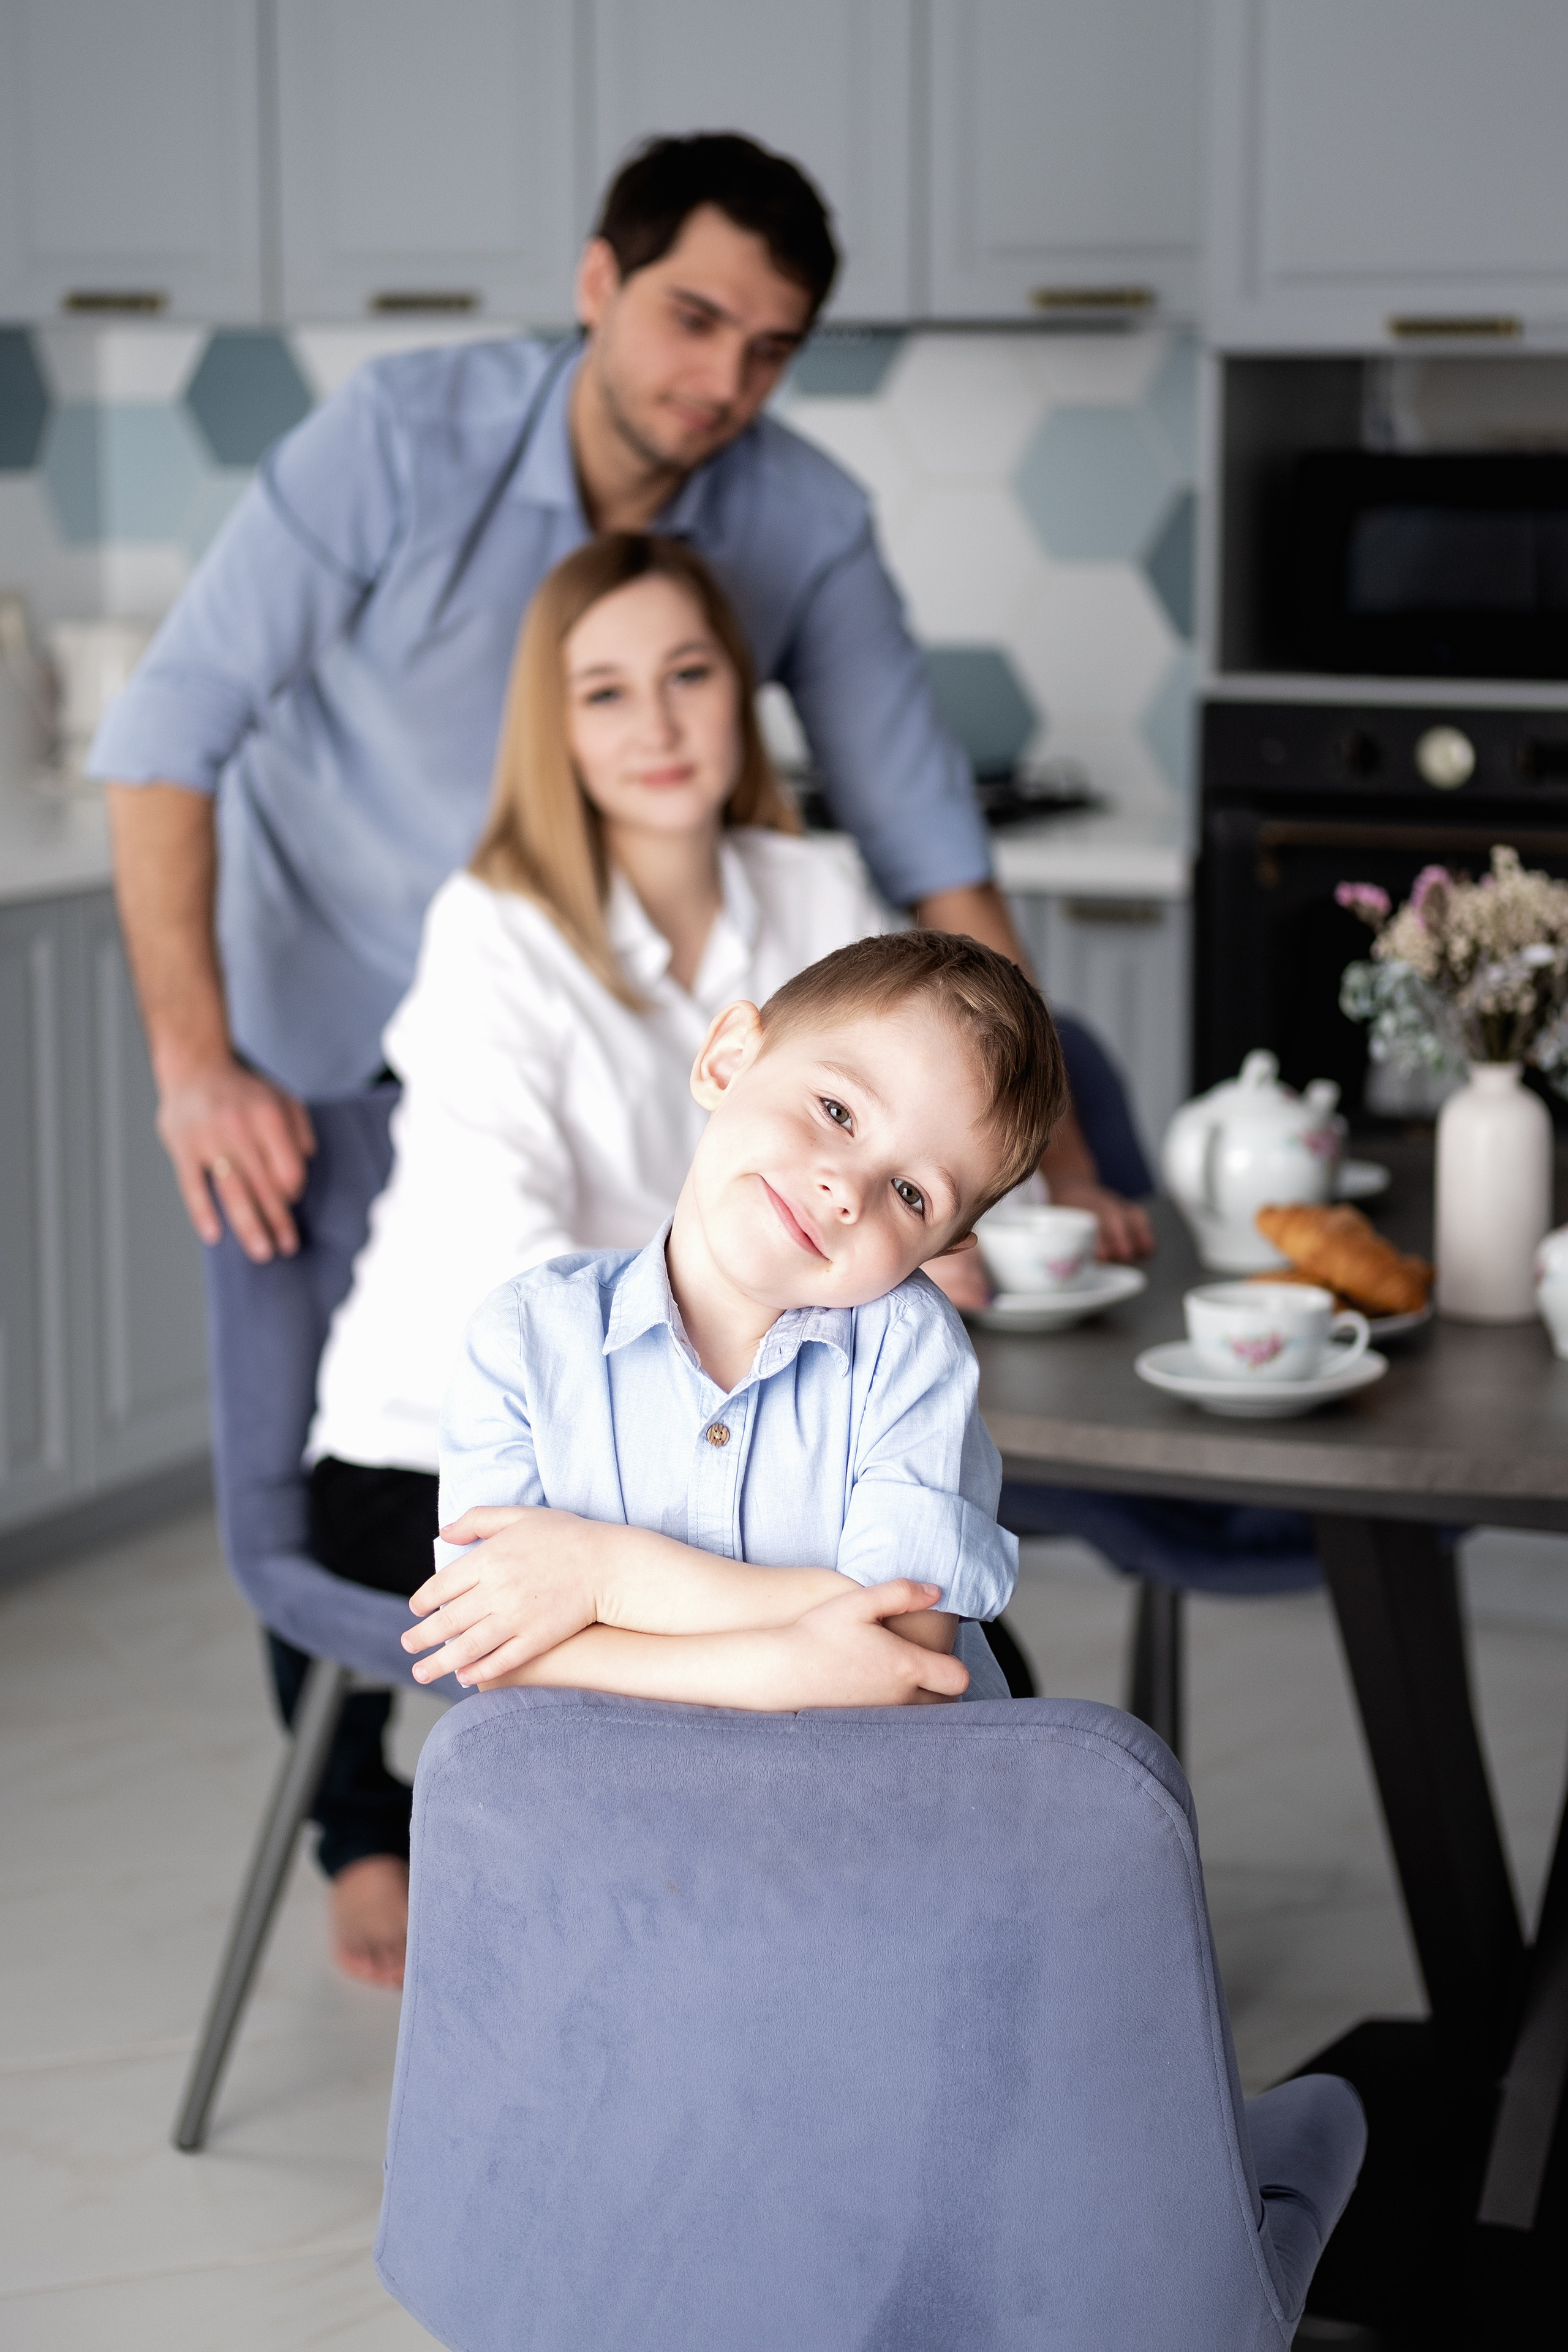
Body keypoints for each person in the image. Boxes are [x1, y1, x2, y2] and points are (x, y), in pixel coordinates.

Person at [94, 130, 1147, 1272]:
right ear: (599, 283)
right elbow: (166, 733)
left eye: (770, 351)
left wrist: (1063, 1175)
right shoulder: (401, 437)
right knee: (367, 1394)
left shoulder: (808, 526)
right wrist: (197, 1070)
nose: (724, 387)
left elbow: (938, 854)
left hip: (586, 1060)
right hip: (318, 1042)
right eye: (694, 321)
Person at [299, 531, 902, 1980]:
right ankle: (436, 1857)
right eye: (606, 691)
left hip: (723, 1407)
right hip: (449, 1440)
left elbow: (893, 1148)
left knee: (906, 1609)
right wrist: (800, 1275)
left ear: (736, 688)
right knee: (839, 1622)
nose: (658, 724)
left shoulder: (814, 893)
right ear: (551, 730)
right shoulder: (493, 930)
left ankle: (876, 1926)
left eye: (689, 673)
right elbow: (522, 1270)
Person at [400, 929, 1066, 1713]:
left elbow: (908, 1653)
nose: (847, 1189)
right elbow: (490, 1644)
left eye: (913, 1195)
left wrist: (602, 1579)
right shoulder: (524, 1337)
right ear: (728, 1060)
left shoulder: (911, 1353)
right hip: (596, 1819)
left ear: (941, 1249)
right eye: (836, 1110)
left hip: (860, 1822)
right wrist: (795, 1661)